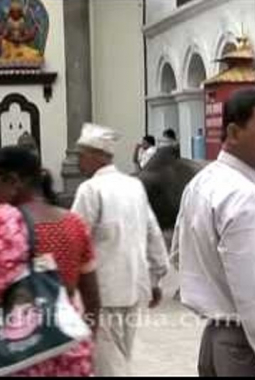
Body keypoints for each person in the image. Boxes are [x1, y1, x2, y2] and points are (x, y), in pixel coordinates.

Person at [173, 88, 255, 376]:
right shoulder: (243, 198)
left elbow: (178, 256)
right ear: (233, 133)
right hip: (253, 350)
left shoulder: (203, 183)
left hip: (219, 339)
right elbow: (254, 292)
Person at [0, 145, 101, 376]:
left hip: (23, 355)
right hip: (69, 346)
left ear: (13, 181)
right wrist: (86, 338)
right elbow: (92, 296)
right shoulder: (73, 223)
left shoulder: (2, 222)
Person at [71, 123, 169, 376]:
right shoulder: (133, 185)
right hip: (134, 289)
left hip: (102, 293)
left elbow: (74, 241)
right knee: (120, 355)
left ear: (96, 155)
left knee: (108, 365)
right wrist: (156, 278)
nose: (79, 161)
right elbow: (153, 233)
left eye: (81, 155)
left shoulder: (89, 190)